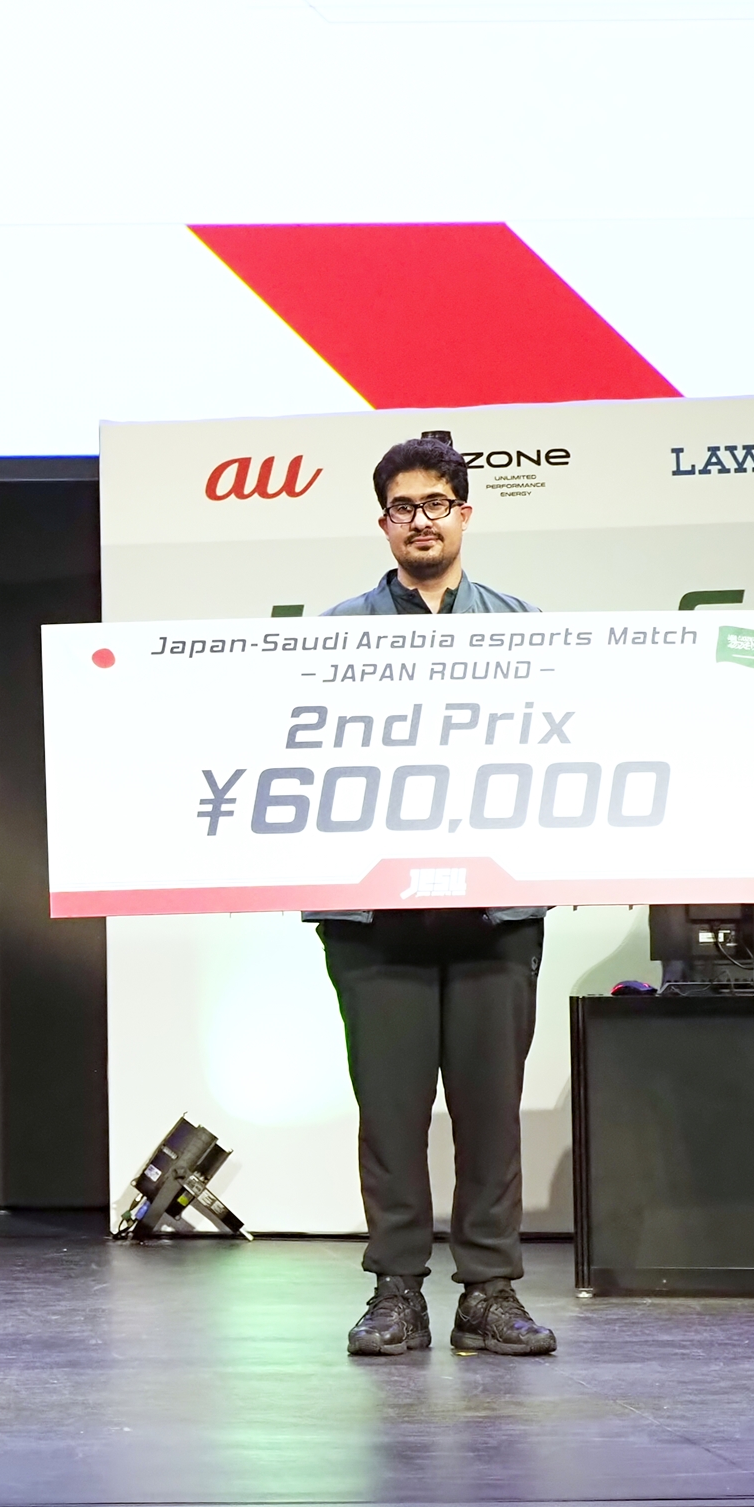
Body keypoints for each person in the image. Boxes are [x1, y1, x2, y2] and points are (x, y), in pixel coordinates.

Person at [320, 434, 559, 1360]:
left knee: (490, 1113)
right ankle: (396, 1293)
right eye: (402, 507)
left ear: (464, 513)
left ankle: (490, 1294)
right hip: (375, 917)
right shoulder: (337, 633)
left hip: (495, 914)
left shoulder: (522, 627)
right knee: (390, 1114)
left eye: (435, 504)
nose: (419, 521)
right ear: (383, 522)